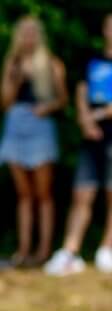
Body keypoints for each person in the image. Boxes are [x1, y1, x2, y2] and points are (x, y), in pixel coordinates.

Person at [44, 12, 112, 276]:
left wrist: (99, 116)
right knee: (83, 193)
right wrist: (86, 121)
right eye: (110, 26)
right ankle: (70, 250)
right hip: (90, 136)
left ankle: (107, 249)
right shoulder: (91, 60)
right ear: (104, 30)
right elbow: (80, 92)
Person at [0, 16, 68, 268]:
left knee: (44, 194)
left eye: (33, 33)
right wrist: (16, 79)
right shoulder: (12, 64)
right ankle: (23, 250)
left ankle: (43, 251)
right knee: (24, 195)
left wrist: (46, 108)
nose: (28, 38)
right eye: (24, 33)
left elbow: (63, 99)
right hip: (15, 126)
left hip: (40, 126)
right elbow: (5, 102)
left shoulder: (52, 65)